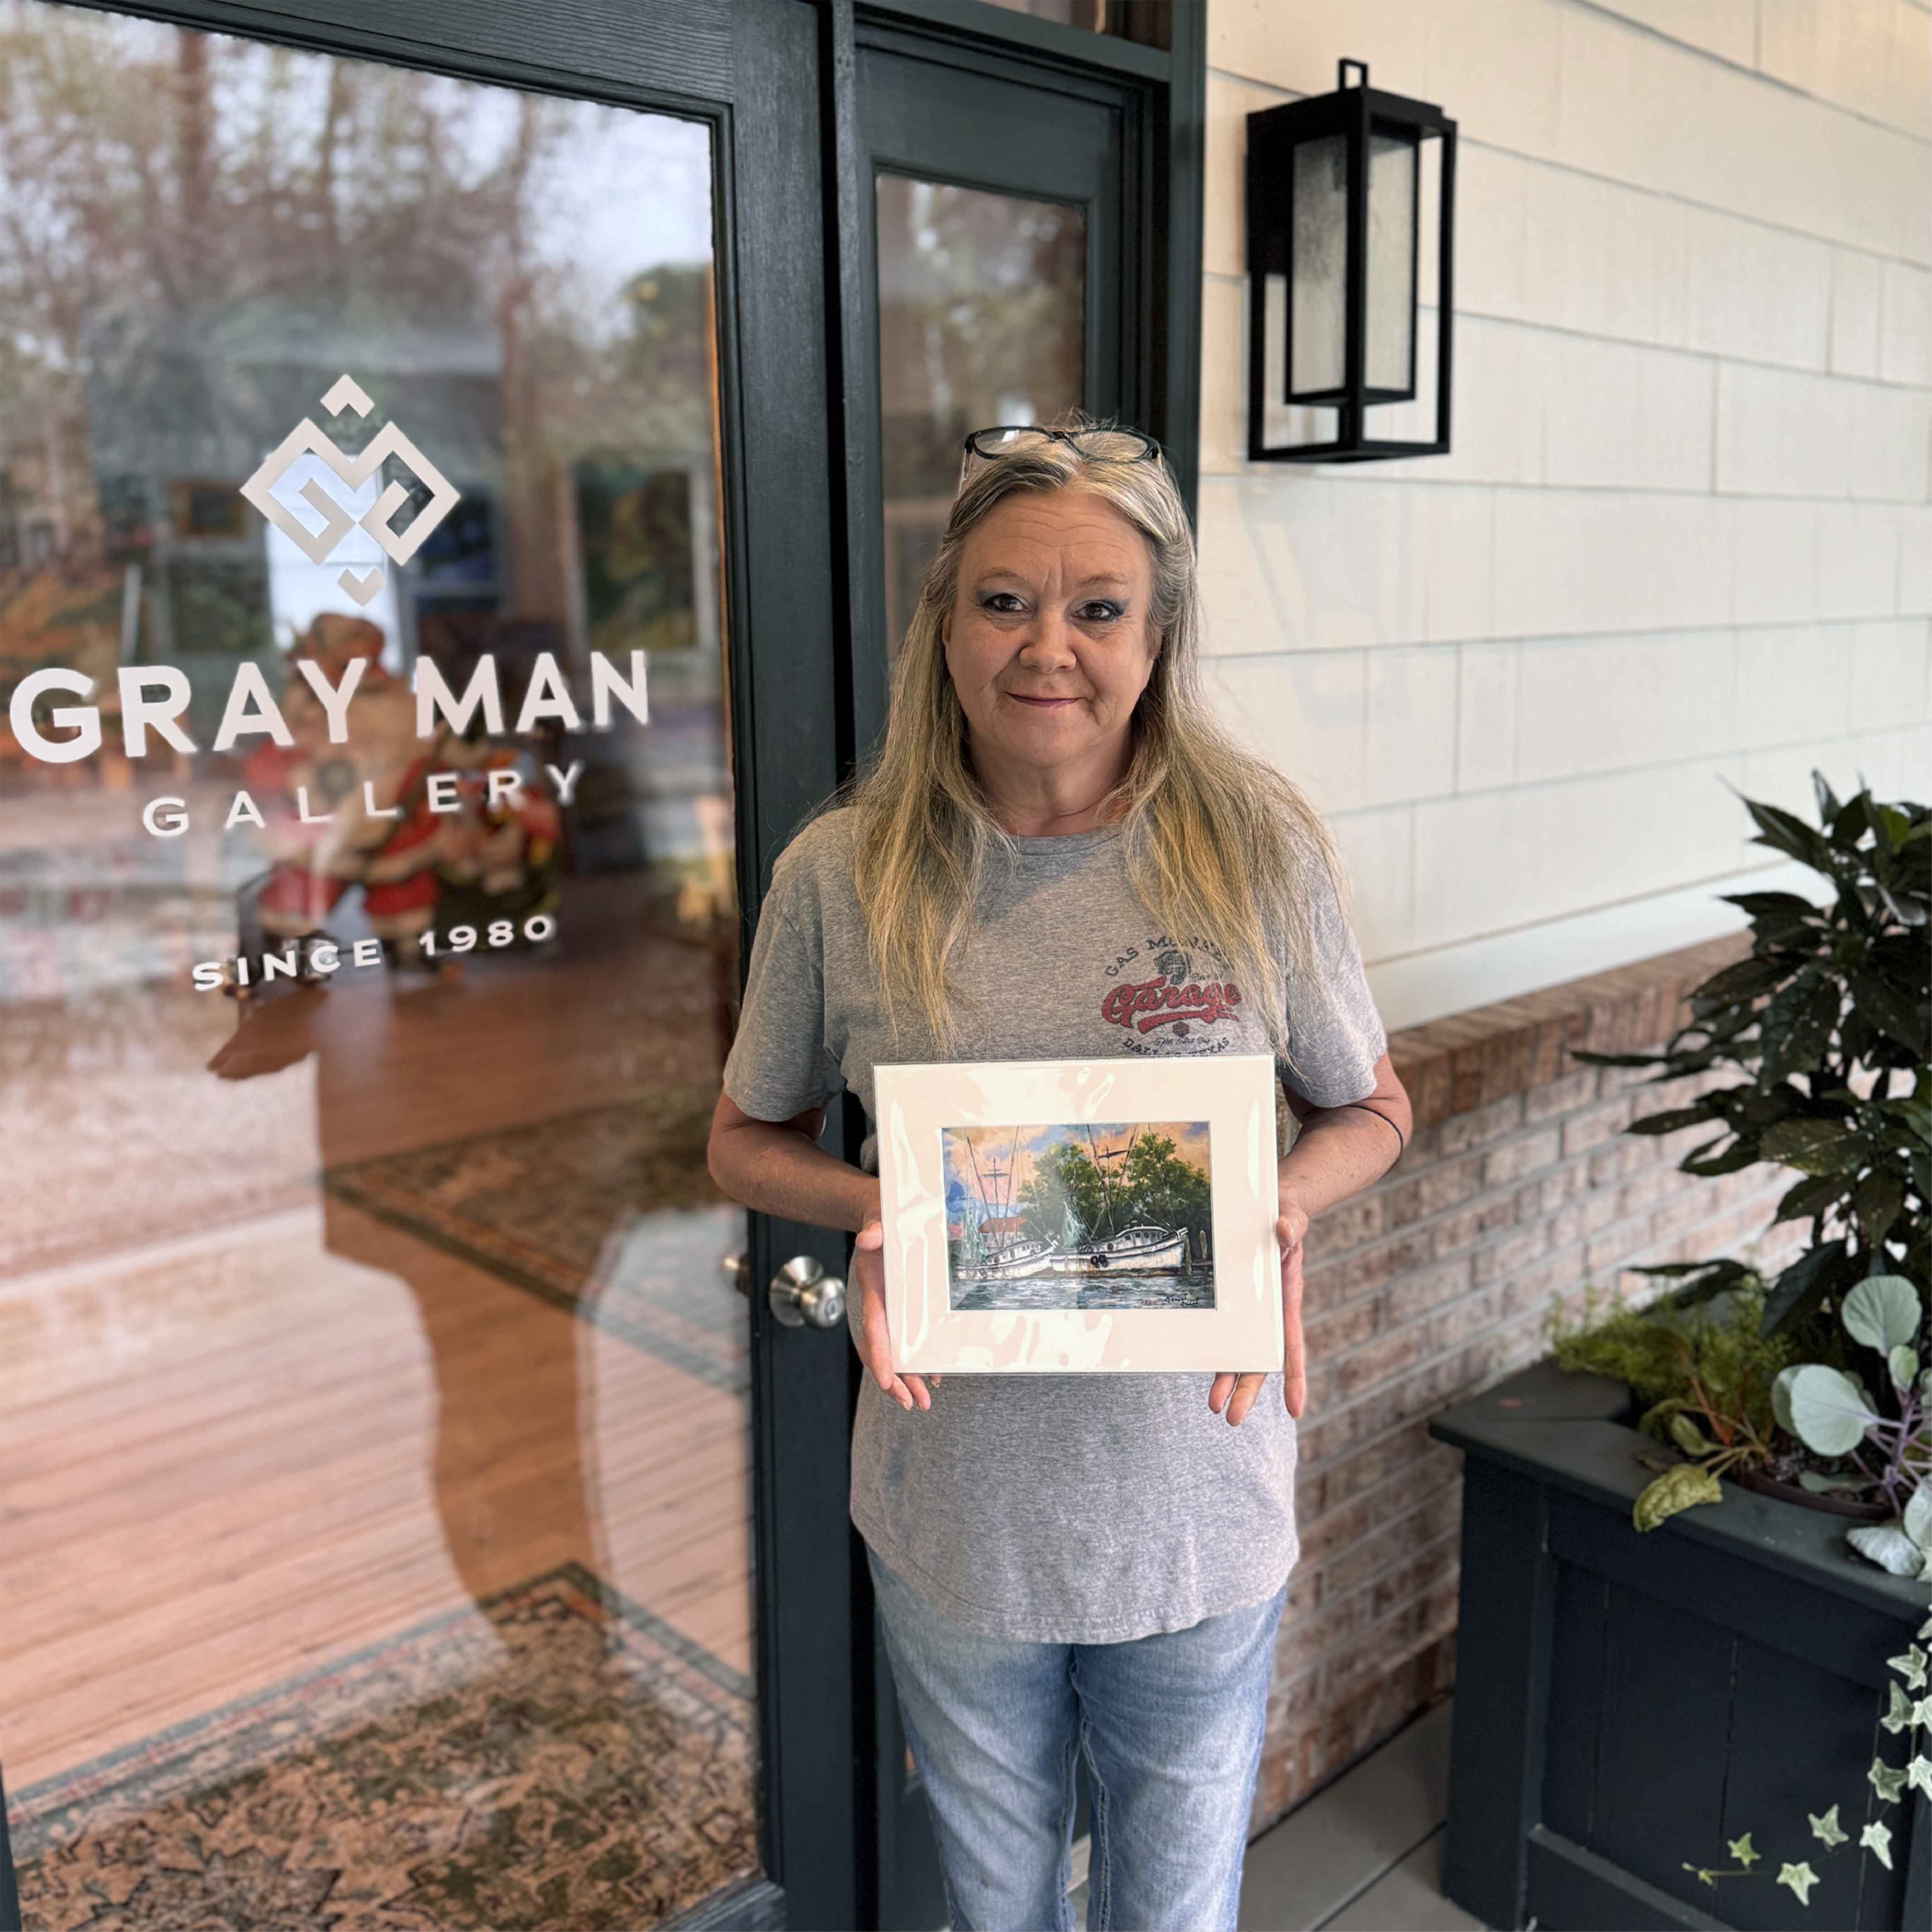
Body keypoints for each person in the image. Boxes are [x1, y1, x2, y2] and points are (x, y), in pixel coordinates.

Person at [707, 420, 1412, 1932]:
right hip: (954, 1514)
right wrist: (888, 1206)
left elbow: (1370, 1106)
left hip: (1195, 1507)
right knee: (995, 1906)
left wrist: (1280, 1199)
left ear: (1157, 637)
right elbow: (741, 1138)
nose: (1048, 647)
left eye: (1098, 607)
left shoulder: (1253, 850)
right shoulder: (841, 874)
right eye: (1003, 600)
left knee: (1173, 1913)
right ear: (944, 623)